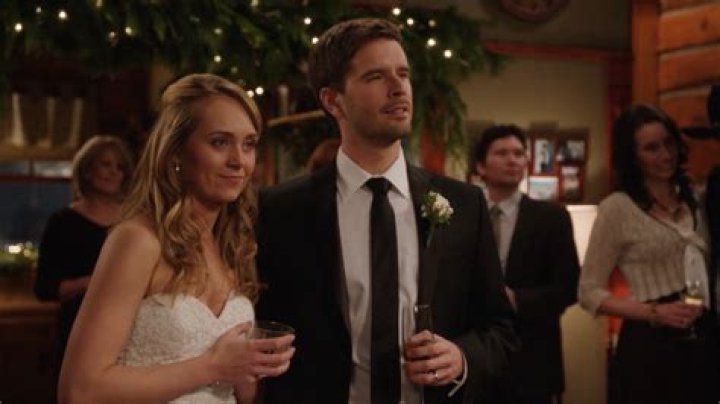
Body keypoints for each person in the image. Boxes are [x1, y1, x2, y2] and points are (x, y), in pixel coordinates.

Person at [256, 18, 517, 404]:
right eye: (376, 76)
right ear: (333, 101)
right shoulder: (281, 210)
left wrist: (461, 358)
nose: (399, 88)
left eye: (403, 74)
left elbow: (500, 330)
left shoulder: (464, 204)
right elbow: (264, 328)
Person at [59, 73, 294, 403]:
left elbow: (234, 389)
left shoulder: (231, 246)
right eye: (219, 142)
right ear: (175, 153)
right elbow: (79, 391)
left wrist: (249, 368)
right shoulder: (138, 240)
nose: (238, 161)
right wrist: (213, 367)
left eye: (249, 144)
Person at [578, 104, 718, 404]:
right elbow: (588, 292)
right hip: (649, 342)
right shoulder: (617, 208)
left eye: (668, 143)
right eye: (651, 148)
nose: (665, 155)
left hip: (700, 335)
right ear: (633, 156)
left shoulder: (696, 198)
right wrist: (654, 312)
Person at [473, 125, 579, 404]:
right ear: (481, 166)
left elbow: (570, 288)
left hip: (533, 359)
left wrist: (516, 299)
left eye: (519, 154)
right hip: (476, 357)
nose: (513, 160)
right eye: (502, 153)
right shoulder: (467, 214)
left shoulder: (551, 217)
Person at [35, 135, 134, 387]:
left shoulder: (136, 220)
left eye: (119, 167)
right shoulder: (62, 222)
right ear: (87, 170)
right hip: (80, 329)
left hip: (133, 329)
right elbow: (45, 288)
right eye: (106, 164)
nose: (114, 172)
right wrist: (93, 282)